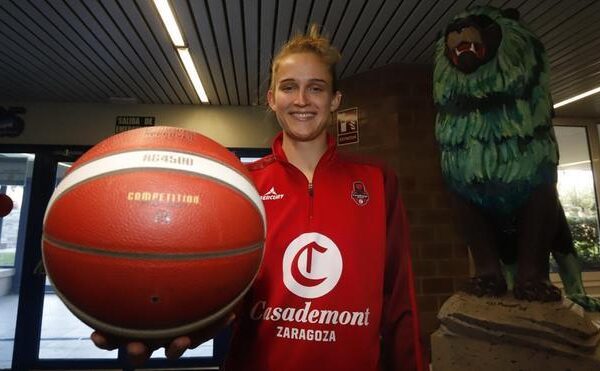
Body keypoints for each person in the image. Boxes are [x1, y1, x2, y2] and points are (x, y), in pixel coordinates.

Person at [92, 25, 425, 371]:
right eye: (289, 87)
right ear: (271, 98)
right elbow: (218, 290)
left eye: (316, 88)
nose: (301, 100)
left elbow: (400, 302)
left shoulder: (376, 181)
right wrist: (167, 322)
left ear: (335, 100)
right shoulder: (242, 187)